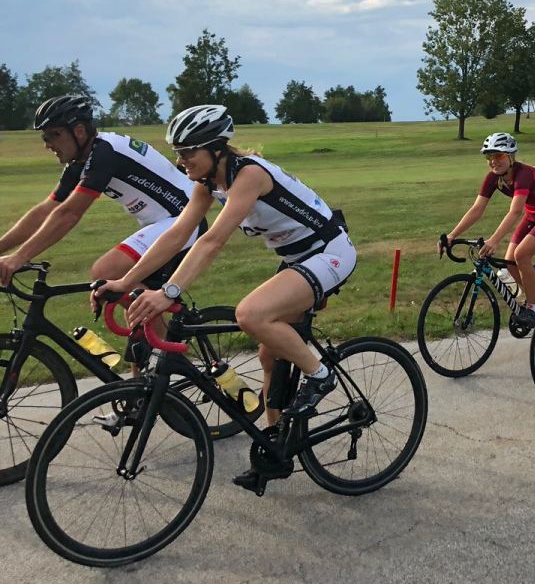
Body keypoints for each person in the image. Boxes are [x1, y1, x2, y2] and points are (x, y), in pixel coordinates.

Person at [94, 104, 356, 490]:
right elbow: (177, 234)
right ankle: (276, 448)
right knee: (270, 353)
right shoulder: (208, 183)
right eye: (177, 152)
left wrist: (168, 292)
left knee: (250, 315)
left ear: (216, 149)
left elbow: (213, 240)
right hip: (297, 259)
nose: (180, 160)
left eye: (188, 152)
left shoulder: (249, 175)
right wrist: (125, 280)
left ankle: (320, 376)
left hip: (329, 251)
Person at [0, 95, 202, 299]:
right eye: (45, 137)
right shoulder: (82, 160)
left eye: (54, 135)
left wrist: (20, 256)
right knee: (124, 299)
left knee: (106, 271)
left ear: (79, 131)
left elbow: (68, 214)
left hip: (184, 219)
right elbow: (46, 210)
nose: (48, 144)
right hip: (165, 221)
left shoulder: (104, 153)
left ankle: (159, 319)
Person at [441, 132, 535, 327]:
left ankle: (534, 309)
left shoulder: (523, 174)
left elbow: (515, 211)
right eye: (489, 157)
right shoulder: (493, 178)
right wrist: (452, 235)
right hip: (533, 214)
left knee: (521, 254)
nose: (493, 161)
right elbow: (477, 209)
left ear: (510, 156)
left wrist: (494, 240)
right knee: (510, 262)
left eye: (498, 156)